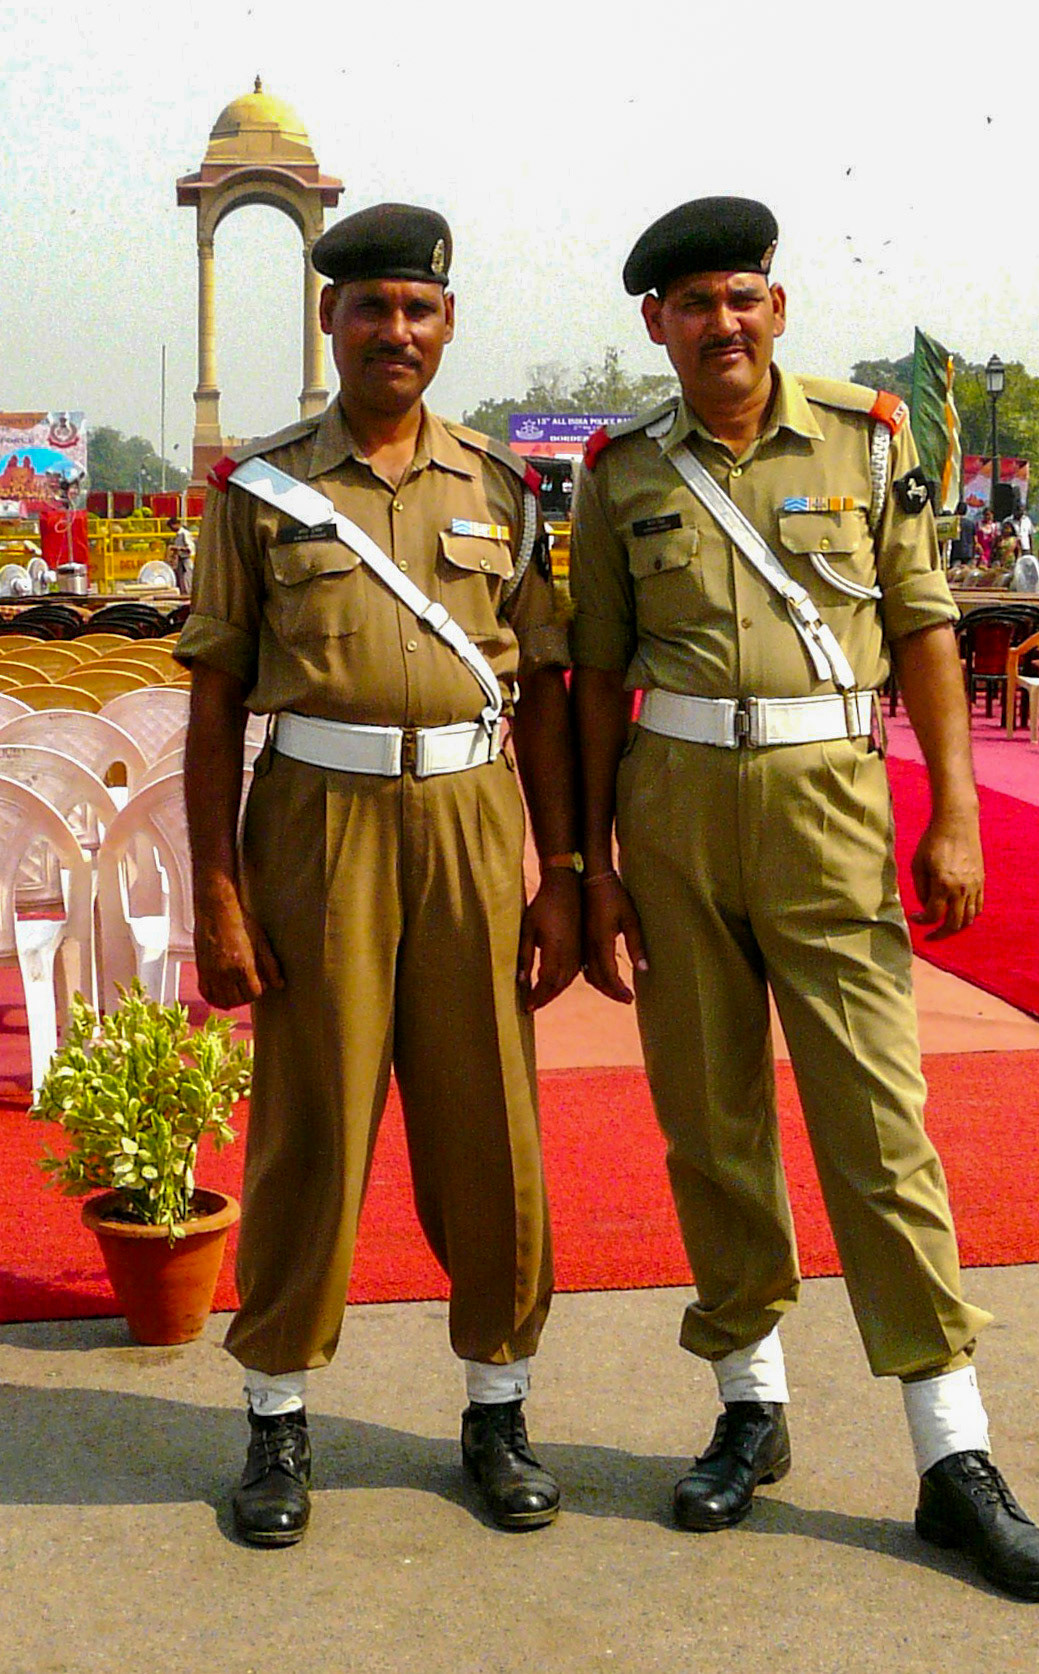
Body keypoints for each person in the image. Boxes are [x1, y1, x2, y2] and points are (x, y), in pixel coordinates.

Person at [570, 196, 1039, 1602]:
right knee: (708, 1120)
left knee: (878, 1127)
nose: (721, 323)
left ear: (774, 308)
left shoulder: (869, 439)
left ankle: (951, 1450)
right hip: (673, 817)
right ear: (656, 324)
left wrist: (955, 813)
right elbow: (594, 676)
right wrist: (590, 865)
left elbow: (923, 627)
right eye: (692, 304)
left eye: (741, 297)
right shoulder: (619, 473)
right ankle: (749, 1403)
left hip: (829, 814)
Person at [176, 203, 581, 1547]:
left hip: (469, 816)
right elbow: (214, 701)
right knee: (313, 1118)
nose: (394, 331)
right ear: (331, 321)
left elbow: (544, 692)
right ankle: (277, 1417)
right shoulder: (259, 490)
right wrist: (218, 892)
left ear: (446, 324)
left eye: (417, 309)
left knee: (489, 1120)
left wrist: (562, 870)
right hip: (316, 824)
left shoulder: (502, 489)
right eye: (370, 308)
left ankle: (497, 1407)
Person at [166, 516, 196, 593]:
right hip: (180, 560)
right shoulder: (178, 535)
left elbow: (190, 548)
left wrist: (177, 548)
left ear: (177, 524)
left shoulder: (184, 534)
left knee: (187, 578)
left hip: (186, 559)